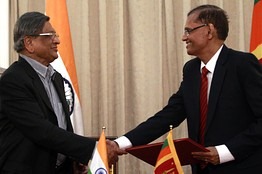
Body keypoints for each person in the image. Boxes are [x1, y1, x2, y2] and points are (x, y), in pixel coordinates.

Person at [109, 4, 262, 174]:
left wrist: (224, 152)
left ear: (209, 31)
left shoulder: (242, 64)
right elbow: (168, 116)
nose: (184, 37)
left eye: (189, 31)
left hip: (241, 167)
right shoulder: (191, 70)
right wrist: (119, 143)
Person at [0, 12, 120, 174]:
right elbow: (42, 131)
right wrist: (95, 148)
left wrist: (73, 157)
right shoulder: (13, 80)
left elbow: (61, 125)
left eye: (55, 35)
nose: (57, 40)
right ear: (29, 43)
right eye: (49, 35)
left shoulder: (56, 78)